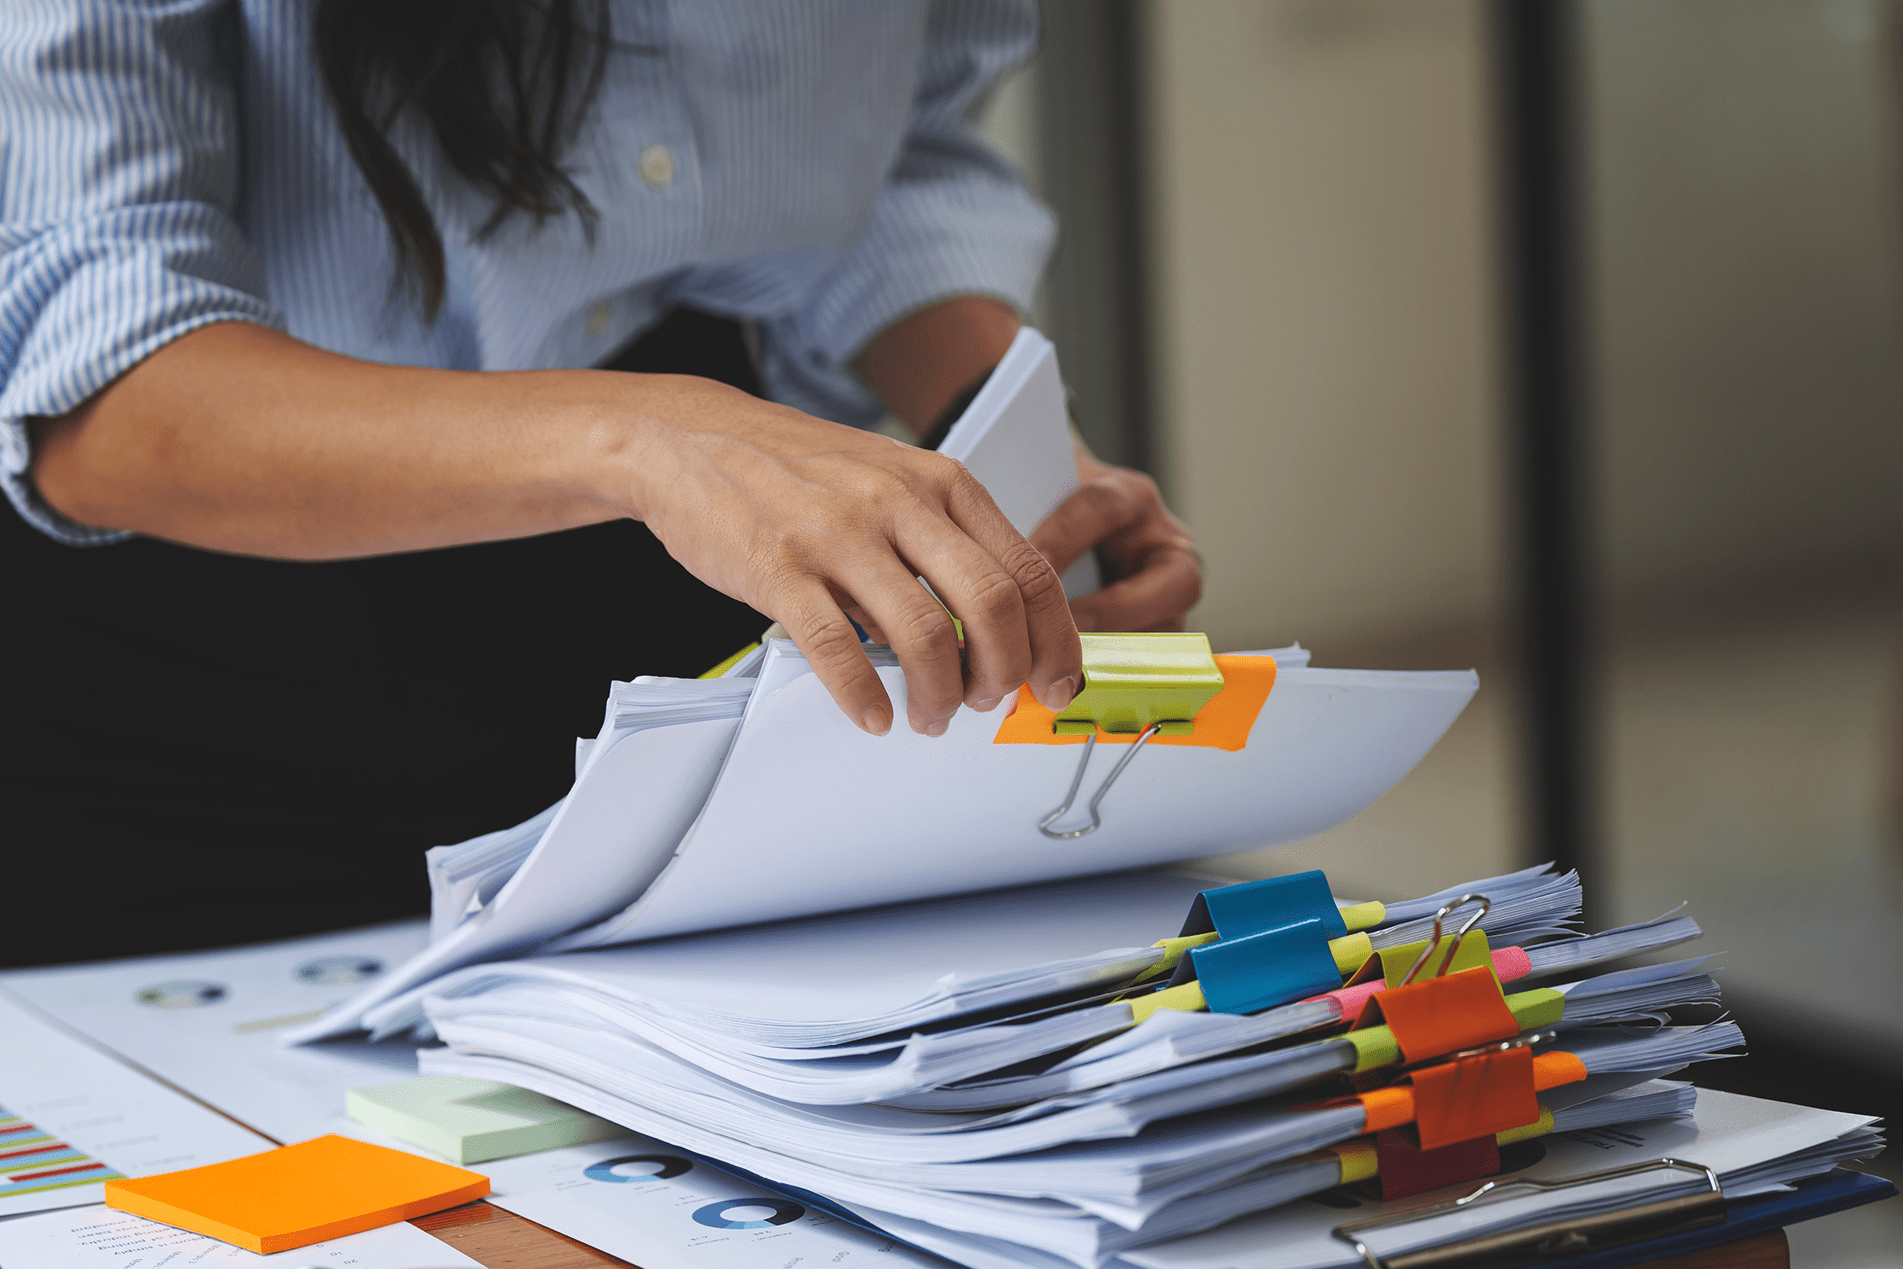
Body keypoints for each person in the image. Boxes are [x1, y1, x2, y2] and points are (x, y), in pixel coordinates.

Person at [1, 1, 1201, 965]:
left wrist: (999, 458)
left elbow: (891, 164)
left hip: (696, 602)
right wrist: (650, 443)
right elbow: (101, 383)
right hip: (200, 646)